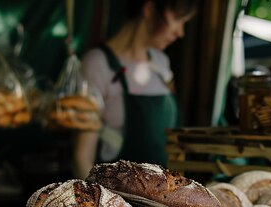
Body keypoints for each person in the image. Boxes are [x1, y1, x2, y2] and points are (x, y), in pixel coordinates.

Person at [72, 0, 197, 179]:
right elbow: (82, 158)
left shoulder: (161, 64)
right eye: (178, 20)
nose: (180, 32)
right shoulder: (97, 64)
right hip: (118, 199)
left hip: (163, 198)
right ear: (149, 9)